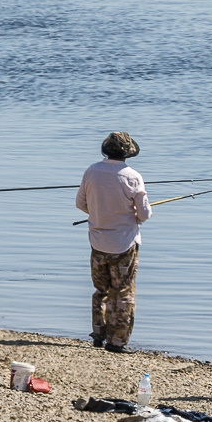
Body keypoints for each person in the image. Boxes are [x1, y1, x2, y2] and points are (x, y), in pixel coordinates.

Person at [75, 131, 149, 353]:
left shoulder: (92, 171)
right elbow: (144, 214)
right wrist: (133, 216)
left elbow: (81, 203)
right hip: (124, 244)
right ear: (127, 153)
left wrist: (99, 213)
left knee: (101, 290)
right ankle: (117, 341)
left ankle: (99, 334)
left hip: (97, 241)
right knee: (123, 291)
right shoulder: (133, 176)